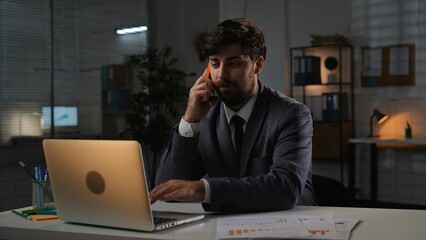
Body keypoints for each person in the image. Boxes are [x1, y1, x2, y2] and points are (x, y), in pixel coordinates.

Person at [150, 18, 317, 212]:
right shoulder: (204, 117)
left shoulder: (291, 114)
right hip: (227, 226)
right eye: (215, 63)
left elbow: (284, 189)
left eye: (233, 63)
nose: (221, 75)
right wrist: (190, 120)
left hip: (291, 224)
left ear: (258, 65)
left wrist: (205, 189)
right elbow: (166, 190)